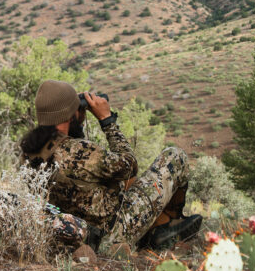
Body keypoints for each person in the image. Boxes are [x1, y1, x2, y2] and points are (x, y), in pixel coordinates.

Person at [19, 79, 201, 252]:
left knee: (120, 180)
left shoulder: (28, 152)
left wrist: (75, 122)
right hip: (112, 233)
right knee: (175, 156)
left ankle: (159, 227)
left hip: (75, 231)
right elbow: (130, 165)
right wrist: (107, 121)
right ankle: (167, 225)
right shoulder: (81, 151)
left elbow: (74, 165)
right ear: (68, 114)